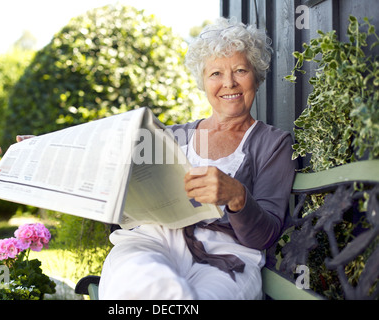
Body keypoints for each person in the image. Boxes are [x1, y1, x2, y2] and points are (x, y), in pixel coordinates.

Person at [98, 17, 297, 300]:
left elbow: (263, 236)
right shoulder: (172, 136)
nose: (229, 83)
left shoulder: (273, 144)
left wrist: (238, 197)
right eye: (216, 73)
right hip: (154, 240)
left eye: (240, 70)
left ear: (256, 76)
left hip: (226, 256)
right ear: (203, 82)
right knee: (139, 282)